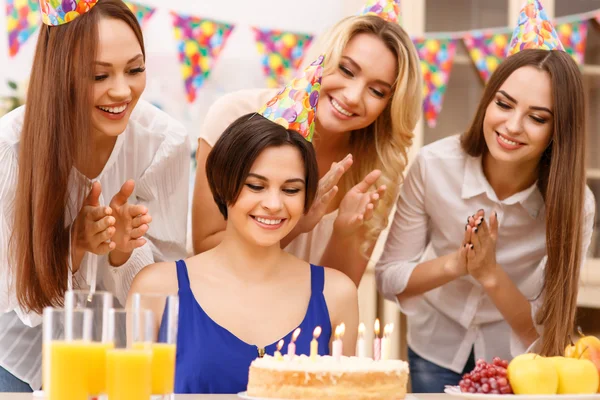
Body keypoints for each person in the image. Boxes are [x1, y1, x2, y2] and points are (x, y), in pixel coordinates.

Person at [375, 1, 596, 392]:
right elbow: (389, 278)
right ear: (487, 100)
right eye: (504, 104)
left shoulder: (575, 203)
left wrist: (490, 275)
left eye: (537, 117)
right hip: (433, 348)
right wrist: (459, 264)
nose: (512, 126)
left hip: (517, 360)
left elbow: (546, 325)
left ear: (560, 130)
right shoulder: (433, 165)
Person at [0, 0, 190, 391]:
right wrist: (76, 245)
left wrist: (123, 251)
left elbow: (164, 295)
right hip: (19, 357)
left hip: (120, 358)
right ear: (59, 74)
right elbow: (21, 301)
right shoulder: (10, 147)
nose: (122, 91)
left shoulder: (164, 143)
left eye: (135, 70)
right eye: (99, 75)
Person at [192, 0, 422, 286]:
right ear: (322, 59)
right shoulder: (234, 115)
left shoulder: (377, 172)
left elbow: (338, 294)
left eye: (376, 91)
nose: (352, 96)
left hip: (305, 326)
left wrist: (343, 233)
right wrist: (297, 226)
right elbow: (205, 247)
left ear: (390, 105)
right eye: (347, 70)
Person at [129, 111, 358, 394]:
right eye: (256, 186)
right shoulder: (157, 288)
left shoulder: (337, 294)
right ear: (224, 186)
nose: (274, 204)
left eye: (290, 189)